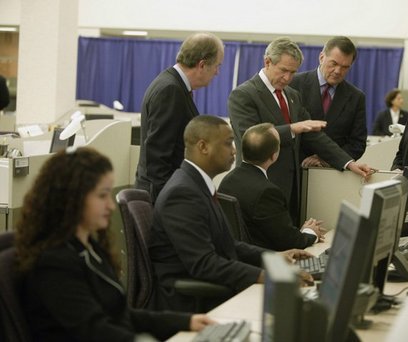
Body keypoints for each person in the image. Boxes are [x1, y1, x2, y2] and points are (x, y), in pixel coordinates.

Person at [15, 147, 214, 341]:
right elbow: (95, 331)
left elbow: (121, 316)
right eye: (102, 195)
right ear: (71, 197)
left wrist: (186, 321)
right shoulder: (54, 262)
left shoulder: (87, 246)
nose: (110, 205)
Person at [148, 115, 313, 312]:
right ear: (203, 147)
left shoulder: (197, 184)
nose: (235, 150)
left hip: (208, 288)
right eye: (228, 143)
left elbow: (226, 244)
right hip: (189, 301)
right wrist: (268, 275)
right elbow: (205, 264)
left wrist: (274, 257)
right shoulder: (182, 193)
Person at [228, 37, 373, 225]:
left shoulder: (292, 94)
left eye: (293, 72)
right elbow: (250, 139)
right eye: (284, 71)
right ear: (267, 62)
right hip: (258, 188)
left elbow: (314, 135)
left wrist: (349, 163)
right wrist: (292, 129)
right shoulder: (244, 94)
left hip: (292, 188)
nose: (288, 78)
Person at [135, 32, 224, 203]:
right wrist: (170, 203)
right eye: (217, 66)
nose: (217, 73)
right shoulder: (171, 90)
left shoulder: (172, 84)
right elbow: (158, 157)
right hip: (161, 197)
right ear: (202, 64)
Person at [219, 123, 326, 251]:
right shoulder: (267, 192)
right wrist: (311, 232)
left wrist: (297, 233)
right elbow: (289, 242)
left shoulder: (227, 180)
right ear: (274, 155)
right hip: (263, 262)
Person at [290, 36, 367, 161]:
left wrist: (326, 159)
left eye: (345, 67)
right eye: (334, 64)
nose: (338, 71)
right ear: (321, 57)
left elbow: (357, 144)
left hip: (331, 172)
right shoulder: (294, 85)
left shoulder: (356, 97)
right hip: (294, 168)